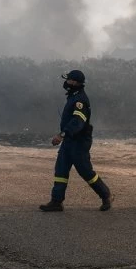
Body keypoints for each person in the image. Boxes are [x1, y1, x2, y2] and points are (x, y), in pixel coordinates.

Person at [39, 69, 112, 212]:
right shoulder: (73, 96)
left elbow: (78, 121)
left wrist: (62, 135)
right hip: (69, 141)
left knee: (86, 172)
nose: (65, 82)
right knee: (61, 170)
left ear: (75, 82)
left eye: (68, 80)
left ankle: (106, 195)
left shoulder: (80, 100)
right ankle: (56, 202)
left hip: (79, 142)